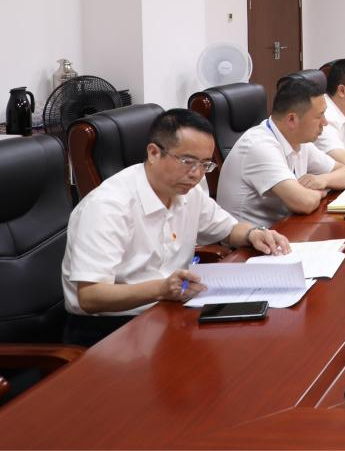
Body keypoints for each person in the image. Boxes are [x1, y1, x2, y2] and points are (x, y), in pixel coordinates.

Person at [61, 109, 291, 346]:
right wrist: (161, 289)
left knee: (258, 338)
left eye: (204, 164)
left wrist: (254, 233)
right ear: (153, 153)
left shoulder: (188, 192)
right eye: (188, 162)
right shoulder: (107, 206)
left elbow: (228, 229)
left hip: (168, 310)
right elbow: (90, 296)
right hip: (108, 330)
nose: (196, 174)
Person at [217, 78, 345, 226]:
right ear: (291, 120)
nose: (325, 122)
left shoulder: (298, 139)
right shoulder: (259, 146)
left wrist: (323, 180)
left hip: (284, 228)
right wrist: (323, 191)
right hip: (253, 237)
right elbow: (304, 203)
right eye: (319, 115)